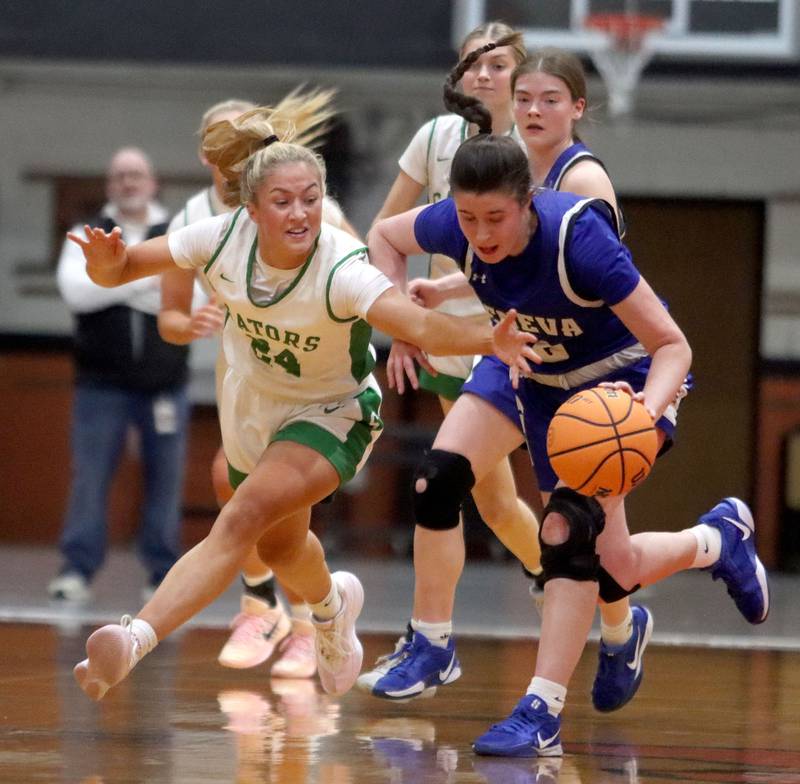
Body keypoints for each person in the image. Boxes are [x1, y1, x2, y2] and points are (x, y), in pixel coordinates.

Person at [66, 92, 537, 703]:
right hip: (252, 411)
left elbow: (416, 325)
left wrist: (485, 336)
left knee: (240, 517)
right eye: (283, 202)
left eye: (311, 200)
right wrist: (106, 264)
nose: (300, 214)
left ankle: (135, 639)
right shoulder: (218, 237)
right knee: (281, 544)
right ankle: (331, 609)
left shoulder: (341, 265)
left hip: (331, 413)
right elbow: (122, 269)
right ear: (253, 210)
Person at [367, 74, 769, 755]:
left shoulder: (578, 239)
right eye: (469, 220)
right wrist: (405, 322)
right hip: (539, 376)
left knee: (568, 536)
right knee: (448, 482)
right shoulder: (454, 223)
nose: (481, 235)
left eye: (497, 219)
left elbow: (673, 344)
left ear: (529, 202)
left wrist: (643, 413)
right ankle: (717, 540)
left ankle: (541, 710)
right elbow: (382, 235)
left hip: (622, 384)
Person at [361, 39, 643, 715]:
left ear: (576, 108)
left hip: (584, 366)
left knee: (594, 544)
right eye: (524, 100)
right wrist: (423, 307)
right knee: (438, 480)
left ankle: (624, 626)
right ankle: (432, 642)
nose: (533, 110)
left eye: (548, 99)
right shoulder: (499, 168)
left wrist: (458, 290)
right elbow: (398, 237)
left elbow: (573, 279)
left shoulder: (583, 185)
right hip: (513, 349)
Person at [358, 20, 545, 696]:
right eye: (474, 63)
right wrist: (404, 327)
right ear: (459, 74)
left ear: (522, 76)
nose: (486, 74)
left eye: (499, 63)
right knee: (488, 498)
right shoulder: (435, 138)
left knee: (479, 491)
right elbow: (385, 229)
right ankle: (555, 582)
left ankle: (572, 586)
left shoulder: (536, 148)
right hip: (446, 333)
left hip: (514, 336)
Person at [159, 95, 358, 677]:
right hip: (241, 367)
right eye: (227, 139)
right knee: (239, 489)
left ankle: (300, 619)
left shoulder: (307, 212)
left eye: (250, 136)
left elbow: (361, 268)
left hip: (309, 371)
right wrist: (188, 323)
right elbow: (169, 319)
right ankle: (266, 604)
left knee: (263, 495)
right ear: (208, 153)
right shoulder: (192, 220)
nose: (238, 149)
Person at [49, 147, 191, 603]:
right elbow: (77, 294)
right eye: (120, 176)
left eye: (137, 175)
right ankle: (76, 570)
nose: (128, 182)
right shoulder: (85, 234)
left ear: (153, 183)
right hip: (99, 385)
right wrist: (146, 283)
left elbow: (195, 300)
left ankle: (161, 574)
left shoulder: (178, 235)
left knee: (166, 479)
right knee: (89, 477)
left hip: (165, 384)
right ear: (110, 186)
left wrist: (110, 283)